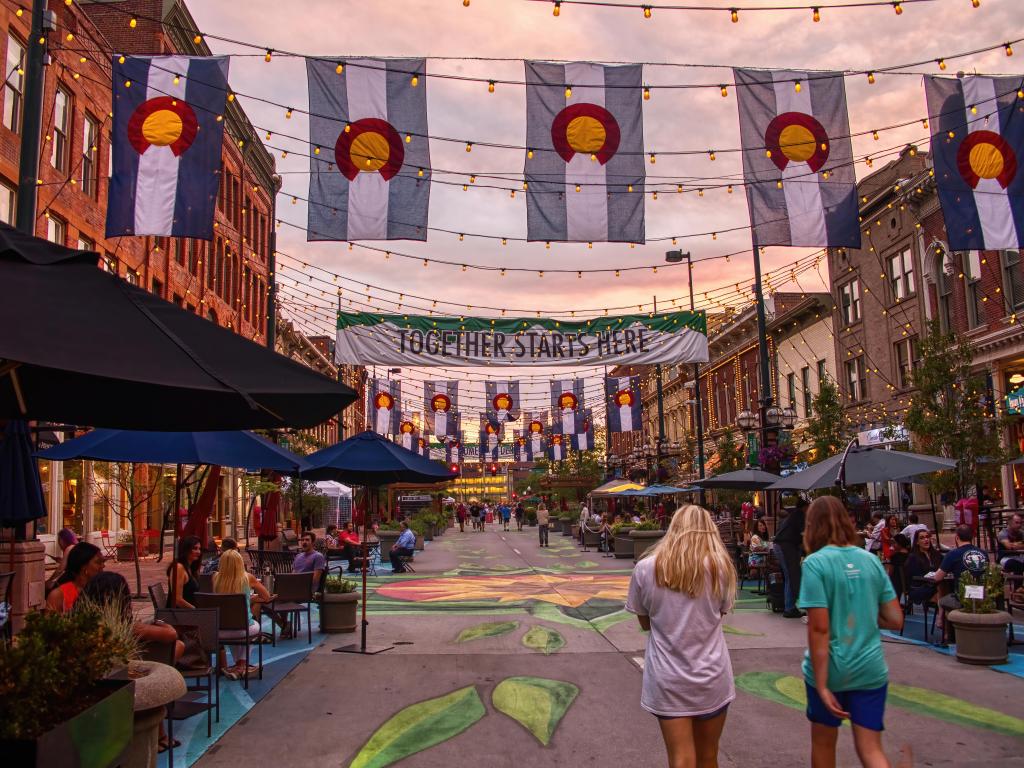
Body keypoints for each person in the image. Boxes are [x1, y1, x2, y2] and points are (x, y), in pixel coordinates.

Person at [625, 505, 736, 768]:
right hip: (712, 674)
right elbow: (718, 615)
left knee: (681, 758)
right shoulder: (721, 568)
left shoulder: (645, 569)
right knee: (709, 756)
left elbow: (644, 622)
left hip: (668, 676)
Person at [798, 496, 904, 768]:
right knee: (871, 749)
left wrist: (821, 684)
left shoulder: (815, 564)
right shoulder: (870, 561)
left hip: (832, 668)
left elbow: (820, 628)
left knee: (823, 744)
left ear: (812, 526)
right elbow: (895, 619)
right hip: (869, 667)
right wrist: (864, 614)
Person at [213, 549, 266, 679]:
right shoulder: (248, 578)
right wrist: (250, 599)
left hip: (220, 630)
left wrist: (248, 599)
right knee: (252, 626)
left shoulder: (215, 578)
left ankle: (238, 666)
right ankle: (242, 666)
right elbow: (266, 596)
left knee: (233, 625)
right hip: (243, 629)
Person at [932, 524, 988, 620]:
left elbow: (937, 577)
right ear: (972, 537)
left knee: (942, 600)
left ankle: (947, 632)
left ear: (957, 537)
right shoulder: (983, 553)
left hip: (962, 597)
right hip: (982, 595)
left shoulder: (953, 554)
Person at [773, 498, 807, 619]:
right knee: (790, 574)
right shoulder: (799, 515)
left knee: (790, 575)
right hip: (784, 546)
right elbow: (804, 534)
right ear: (805, 507)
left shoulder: (794, 516)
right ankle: (789, 608)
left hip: (782, 545)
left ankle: (790, 606)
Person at [46, 542, 103, 613]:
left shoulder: (103, 589)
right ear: (83, 566)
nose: (103, 566)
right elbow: (49, 622)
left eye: (103, 562)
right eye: (98, 562)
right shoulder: (59, 595)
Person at [904, 529, 943, 607]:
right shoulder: (913, 557)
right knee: (941, 589)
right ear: (917, 542)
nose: (926, 540)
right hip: (919, 588)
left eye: (927, 537)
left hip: (935, 585)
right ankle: (942, 615)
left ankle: (943, 614)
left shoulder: (936, 554)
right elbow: (914, 578)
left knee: (946, 588)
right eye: (922, 538)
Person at [168, 535, 202, 609]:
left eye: (199, 549)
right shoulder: (178, 567)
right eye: (195, 548)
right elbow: (177, 600)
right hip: (181, 614)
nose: (198, 552)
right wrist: (197, 611)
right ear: (186, 549)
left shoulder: (191, 568)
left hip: (189, 612)